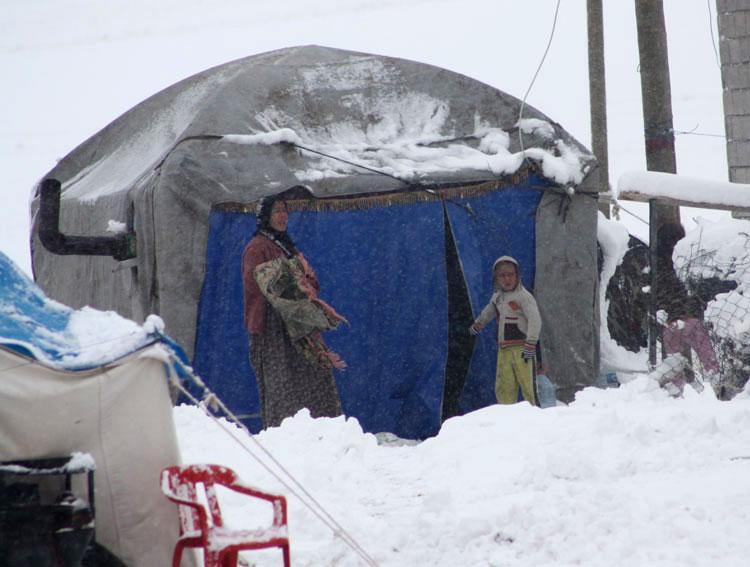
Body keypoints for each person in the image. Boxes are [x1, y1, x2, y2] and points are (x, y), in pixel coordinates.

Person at [242, 193, 346, 428]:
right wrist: (290, 275)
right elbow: (258, 285)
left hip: (299, 323)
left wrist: (302, 278)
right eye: (276, 211)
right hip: (274, 328)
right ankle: (285, 435)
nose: (282, 216)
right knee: (283, 386)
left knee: (317, 377)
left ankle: (324, 430)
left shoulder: (286, 246)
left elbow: (309, 282)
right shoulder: (257, 248)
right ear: (265, 217)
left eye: (284, 211)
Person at [655, 223, 720, 396]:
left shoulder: (657, 263)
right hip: (692, 317)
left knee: (673, 357)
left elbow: (658, 292)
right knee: (708, 355)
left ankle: (675, 390)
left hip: (671, 320)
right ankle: (718, 381)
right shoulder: (687, 259)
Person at [470, 256, 542, 405]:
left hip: (523, 348)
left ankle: (536, 418)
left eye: (511, 275)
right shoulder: (498, 297)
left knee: (528, 386)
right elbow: (489, 311)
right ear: (496, 278)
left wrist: (531, 342)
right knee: (504, 386)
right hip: (504, 349)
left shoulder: (524, 297)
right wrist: (478, 325)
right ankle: (506, 416)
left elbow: (535, 320)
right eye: (502, 275)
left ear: (517, 276)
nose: (507, 279)